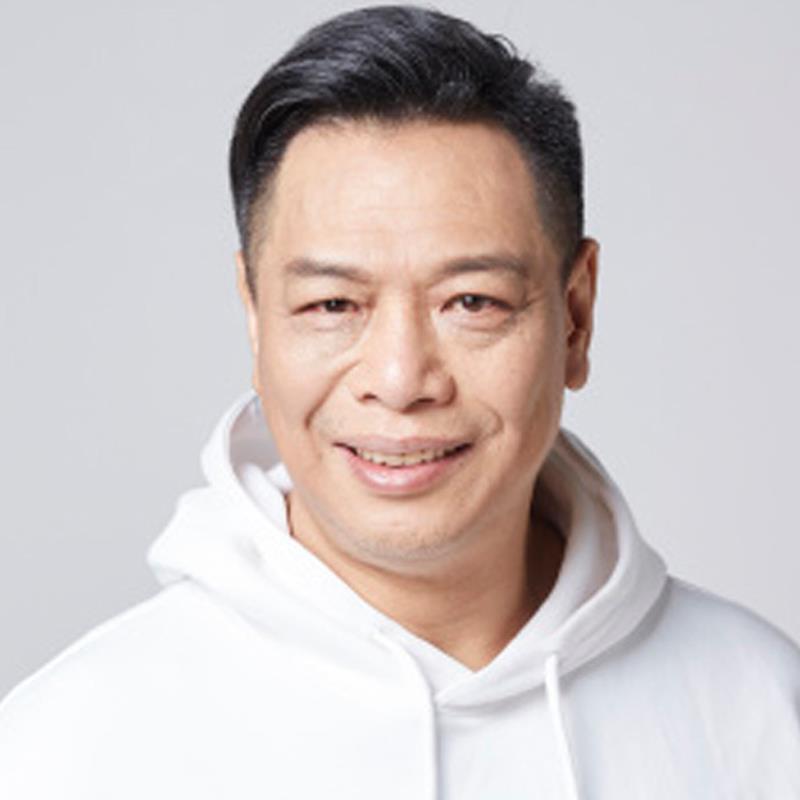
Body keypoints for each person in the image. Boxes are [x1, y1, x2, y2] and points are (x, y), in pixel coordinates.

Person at [1, 5, 798, 798]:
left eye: (472, 302)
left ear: (576, 316)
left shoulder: (764, 713)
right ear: (255, 316)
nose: (400, 378)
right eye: (332, 305)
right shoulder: (66, 750)